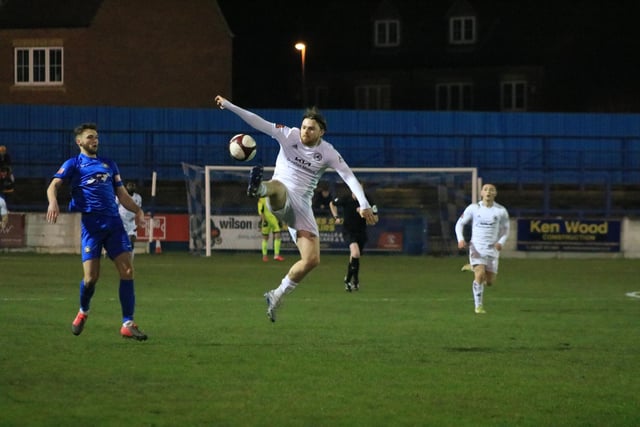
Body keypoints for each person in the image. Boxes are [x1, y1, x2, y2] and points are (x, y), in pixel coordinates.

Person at [215, 95, 378, 322]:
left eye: (311, 129)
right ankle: (258, 188)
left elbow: (348, 176)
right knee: (279, 188)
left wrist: (364, 204)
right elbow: (258, 122)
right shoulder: (288, 134)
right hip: (279, 195)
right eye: (303, 127)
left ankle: (276, 294)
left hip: (302, 208)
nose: (305, 131)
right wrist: (230, 106)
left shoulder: (328, 152)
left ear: (321, 132)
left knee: (312, 260)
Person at [46, 123, 148, 340]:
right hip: (91, 226)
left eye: (97, 137)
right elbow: (53, 185)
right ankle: (83, 311)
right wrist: (53, 202)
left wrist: (138, 210)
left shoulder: (109, 164)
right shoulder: (74, 164)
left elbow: (121, 195)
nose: (95, 140)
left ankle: (127, 323)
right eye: (90, 137)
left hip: (114, 224)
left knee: (128, 271)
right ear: (79, 141)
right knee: (91, 278)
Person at [454, 183, 510, 314]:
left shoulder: (501, 211)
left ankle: (472, 266)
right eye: (485, 189)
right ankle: (478, 306)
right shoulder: (474, 208)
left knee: (489, 281)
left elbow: (506, 229)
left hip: (492, 248)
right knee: (480, 275)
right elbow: (459, 224)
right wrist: (460, 239)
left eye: (491, 190)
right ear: (481, 193)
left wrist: (501, 242)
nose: (488, 192)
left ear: (495, 194)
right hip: (477, 246)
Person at [330, 185, 378, 292]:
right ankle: (348, 280)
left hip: (361, 232)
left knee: (355, 257)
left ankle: (353, 280)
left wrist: (366, 214)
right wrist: (336, 217)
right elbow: (332, 204)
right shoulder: (346, 198)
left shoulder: (367, 200)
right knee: (355, 253)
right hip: (348, 231)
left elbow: (375, 219)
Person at [118, 181, 143, 261]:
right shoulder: (121, 196)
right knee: (120, 242)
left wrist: (139, 221)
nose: (131, 189)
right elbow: (115, 207)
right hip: (122, 221)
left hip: (131, 222)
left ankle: (130, 262)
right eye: (129, 187)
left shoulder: (138, 198)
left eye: (132, 187)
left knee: (131, 241)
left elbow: (138, 210)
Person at [258, 196, 284, 262]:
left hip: (270, 219)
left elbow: (260, 211)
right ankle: (273, 255)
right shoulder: (264, 198)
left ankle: (268, 256)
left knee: (268, 237)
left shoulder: (264, 198)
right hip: (269, 219)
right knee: (271, 236)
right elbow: (261, 211)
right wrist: (262, 220)